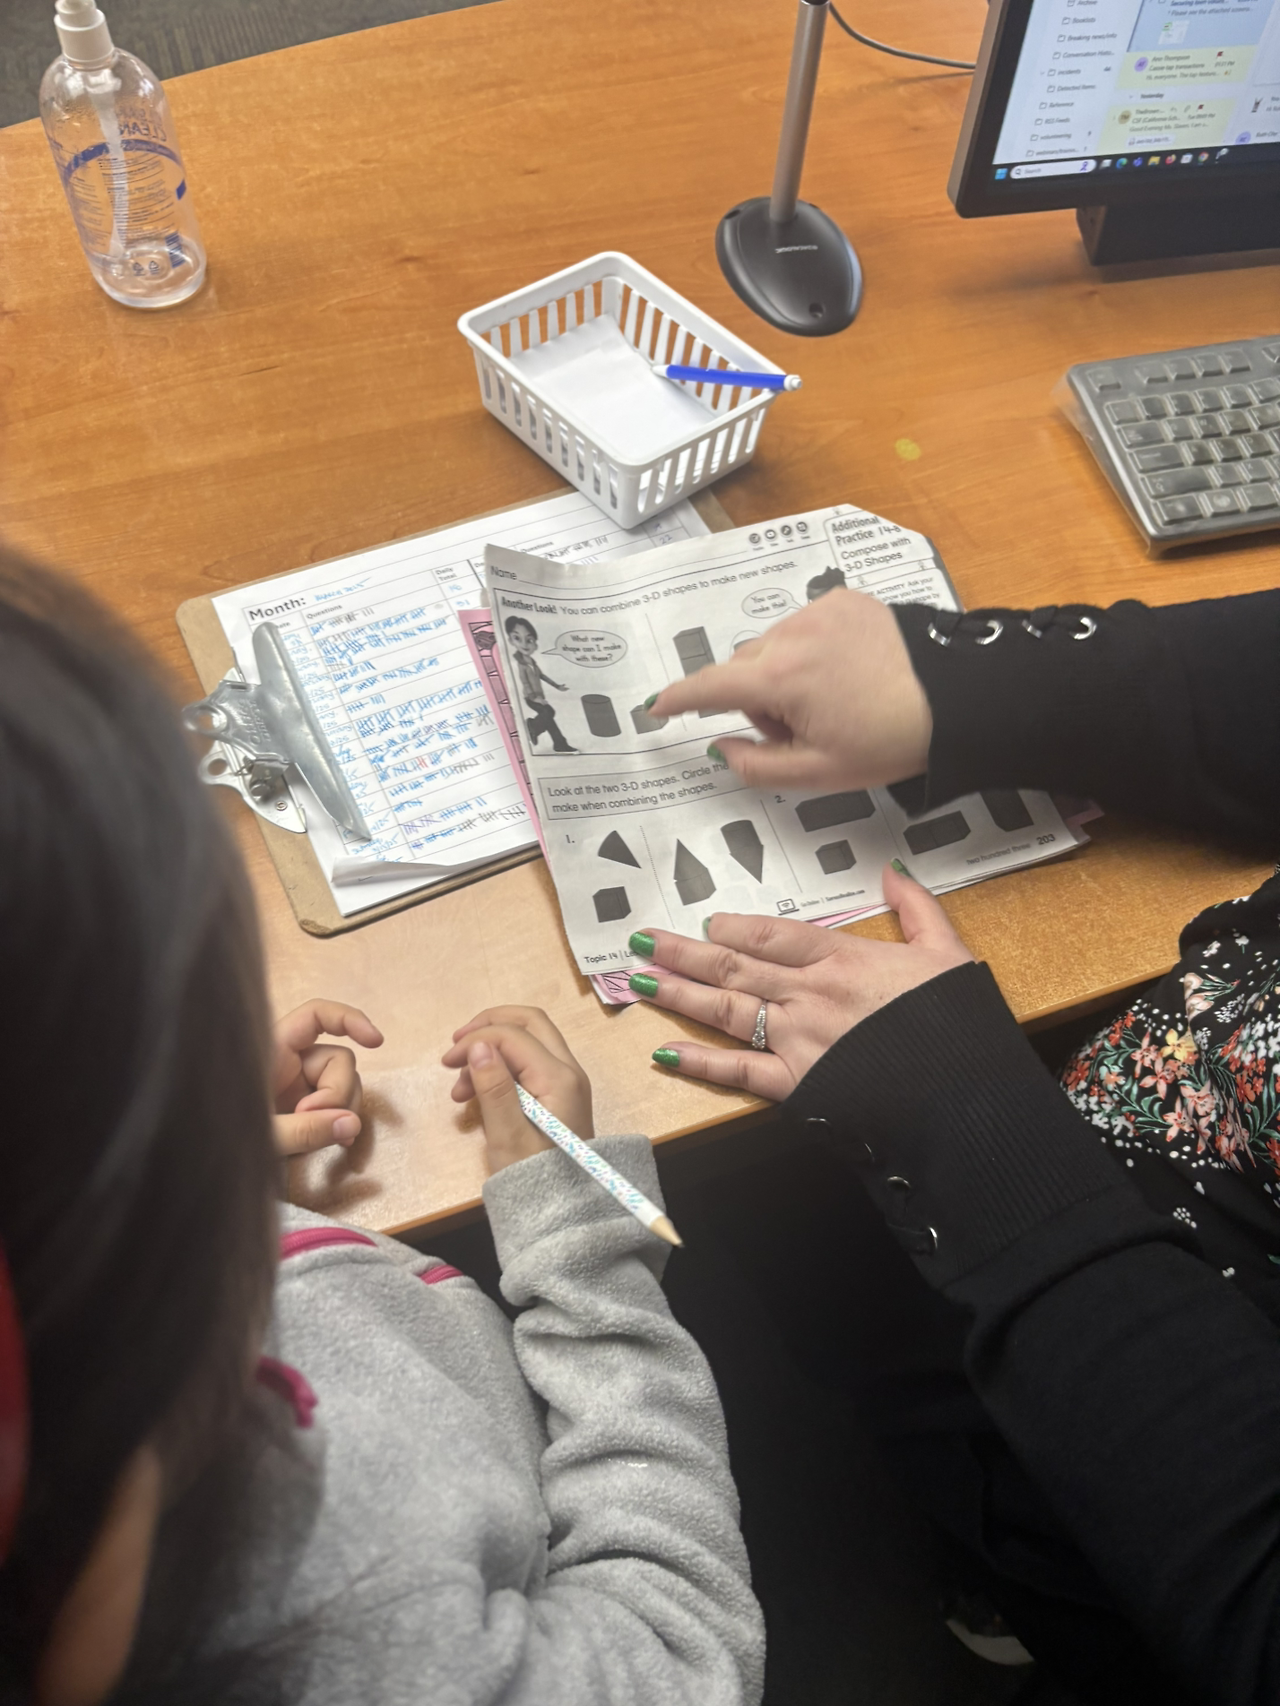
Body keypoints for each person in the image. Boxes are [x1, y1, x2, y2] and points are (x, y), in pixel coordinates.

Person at [0, 548, 763, 1705]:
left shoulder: (68, 1319)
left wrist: (206, 1158)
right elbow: (676, 1654)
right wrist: (582, 1243)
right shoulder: (351, 1607)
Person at [628, 584, 1280, 1705]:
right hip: (1118, 1121)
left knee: (767, 1191)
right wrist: (973, 676)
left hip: (1142, 1407)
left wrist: (967, 1123)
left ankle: (1010, 1571)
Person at [505, 614, 577, 753]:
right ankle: (535, 728)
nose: (524, 644)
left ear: (535, 644)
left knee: (548, 717)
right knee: (548, 712)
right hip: (531, 697)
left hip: (539, 696)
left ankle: (556, 742)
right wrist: (534, 698)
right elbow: (525, 682)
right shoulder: (521, 664)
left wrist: (557, 686)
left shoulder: (532, 662)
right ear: (510, 641)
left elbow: (542, 676)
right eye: (517, 638)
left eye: (529, 640)